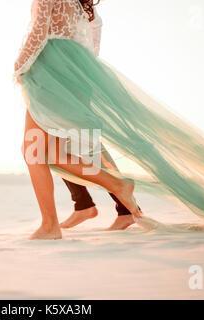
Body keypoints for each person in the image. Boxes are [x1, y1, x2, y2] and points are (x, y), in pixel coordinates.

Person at [14, 0, 204, 240]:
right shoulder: (82, 7)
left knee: (34, 151)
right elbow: (91, 47)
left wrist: (19, 66)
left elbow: (39, 32)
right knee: (50, 153)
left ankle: (53, 223)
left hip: (51, 75)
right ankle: (111, 190)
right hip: (74, 76)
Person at [59, 8, 136, 231]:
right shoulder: (90, 15)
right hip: (78, 85)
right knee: (71, 148)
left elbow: (68, 51)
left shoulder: (73, 12)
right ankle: (101, 206)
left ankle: (92, 205)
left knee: (59, 148)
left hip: (68, 85)